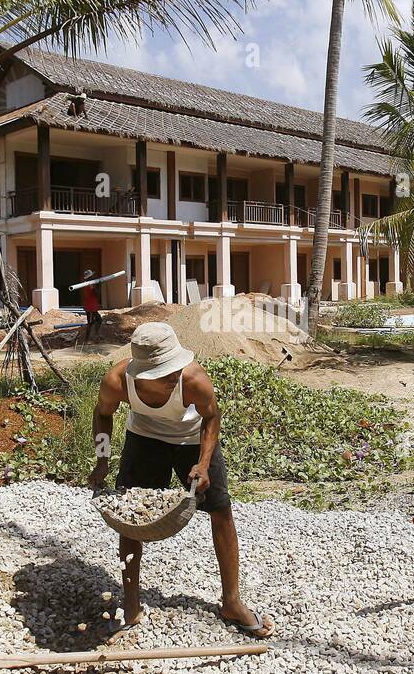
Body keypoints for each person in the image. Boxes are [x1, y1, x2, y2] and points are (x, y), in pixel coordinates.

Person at [87, 322, 273, 637]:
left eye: (176, 366)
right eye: (167, 371)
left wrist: (202, 463)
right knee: (129, 516)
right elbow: (103, 414)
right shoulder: (117, 381)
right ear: (144, 373)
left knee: (220, 510)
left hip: (192, 440)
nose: (176, 373)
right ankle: (131, 604)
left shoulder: (194, 379)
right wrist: (102, 461)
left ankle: (231, 601)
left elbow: (211, 416)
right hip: (144, 439)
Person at [79, 269, 103, 341]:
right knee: (93, 321)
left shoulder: (88, 284)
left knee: (96, 320)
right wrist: (99, 285)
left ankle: (93, 336)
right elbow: (96, 294)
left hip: (91, 306)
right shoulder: (89, 285)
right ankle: (90, 338)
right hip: (90, 307)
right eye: (92, 276)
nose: (94, 277)